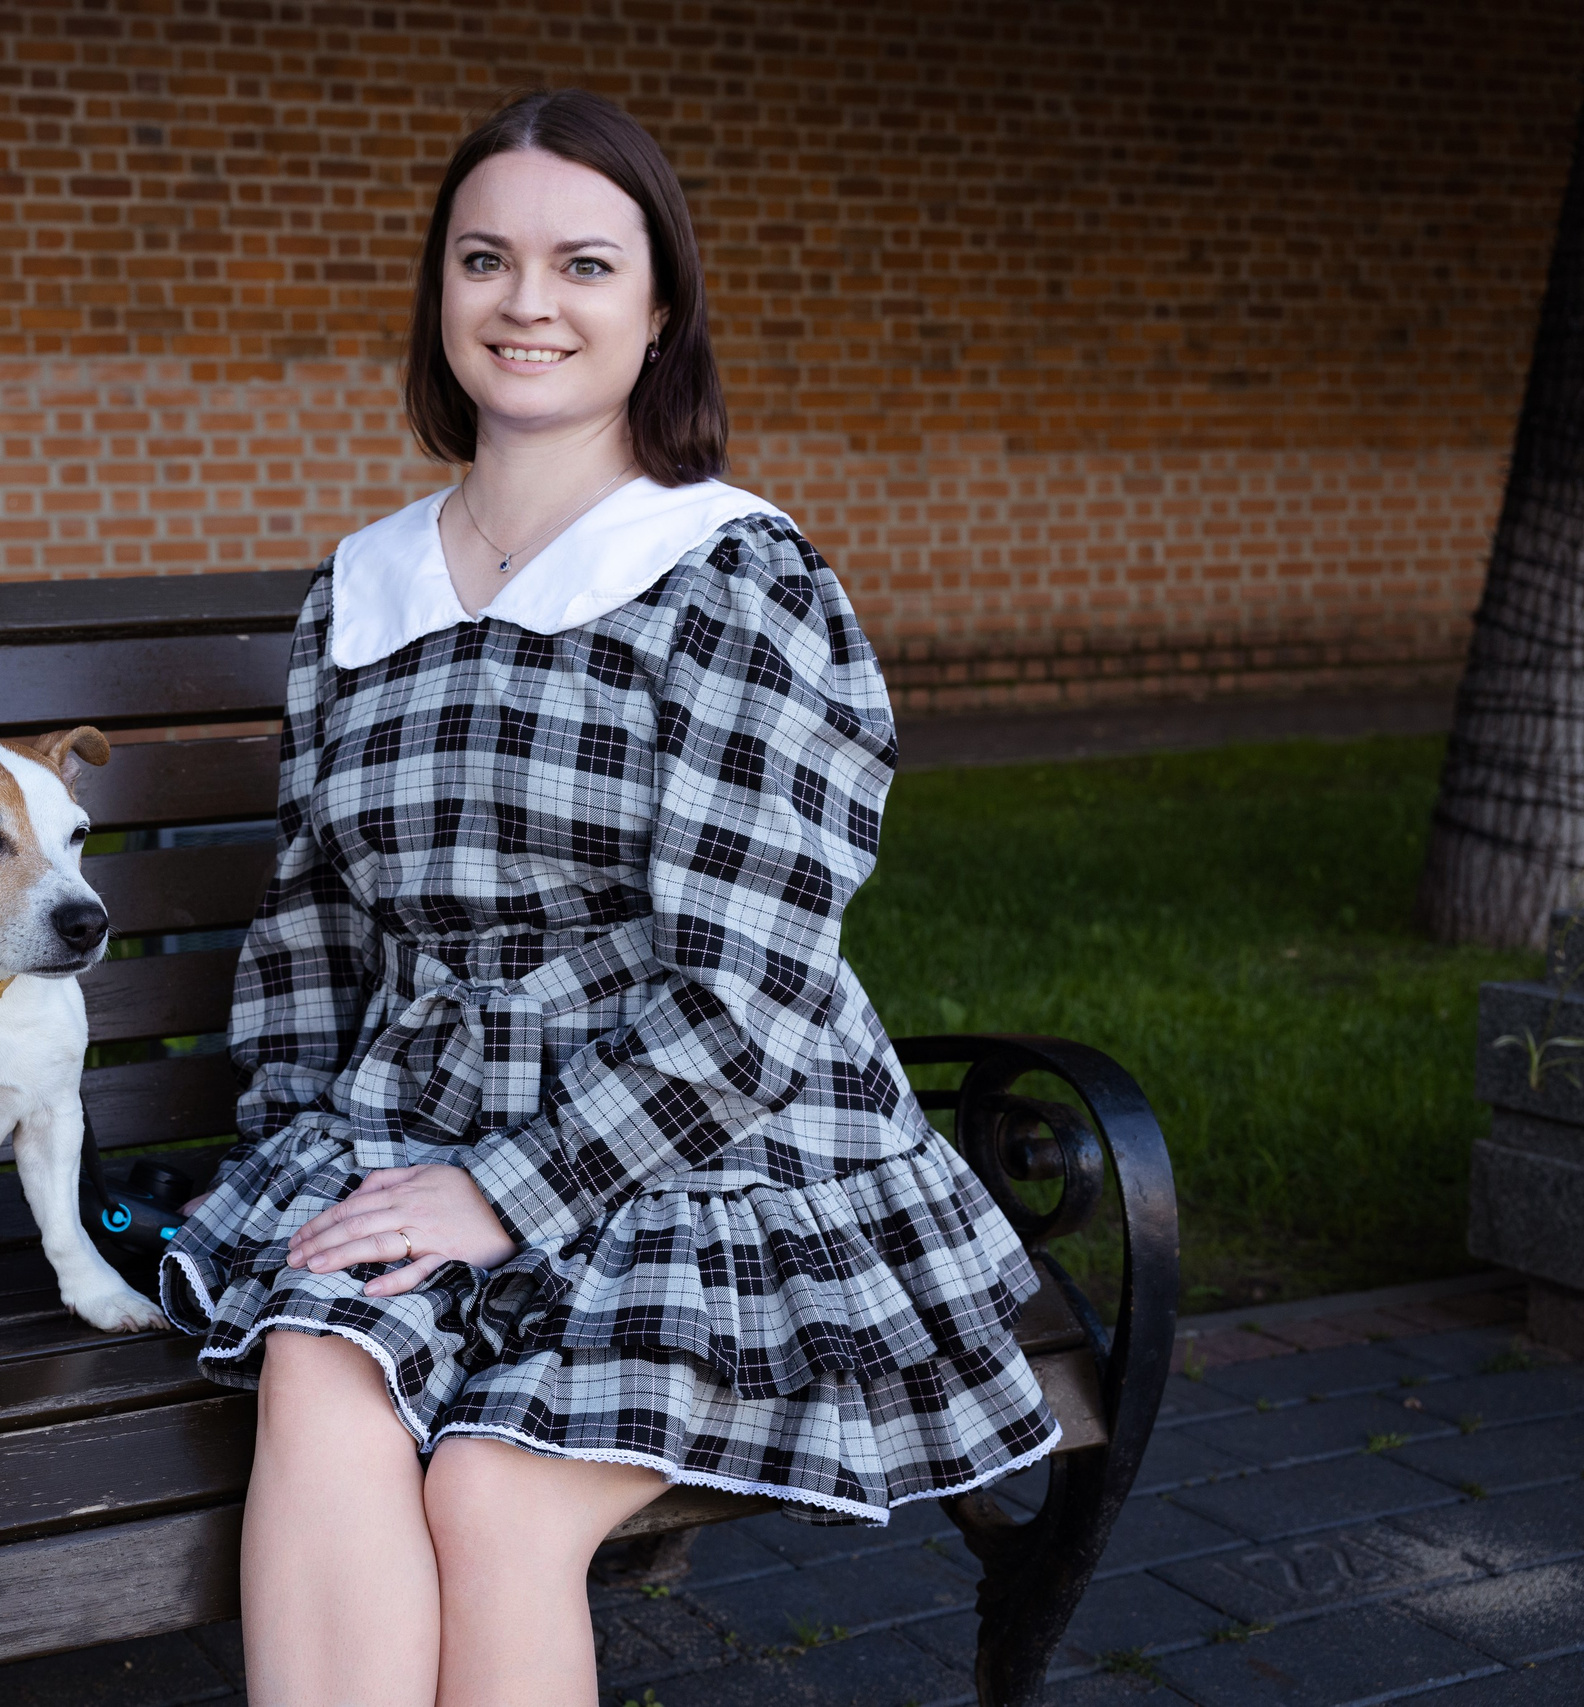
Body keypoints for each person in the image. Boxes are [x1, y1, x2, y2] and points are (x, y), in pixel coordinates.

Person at [157, 88, 1058, 1707]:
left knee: (493, 1495)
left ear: (659, 314)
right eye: (484, 260)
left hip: (703, 1148)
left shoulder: (731, 574)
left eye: (584, 264)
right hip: (423, 1117)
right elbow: (311, 929)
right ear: (440, 296)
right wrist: (306, 1163)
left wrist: (506, 1192)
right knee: (317, 1358)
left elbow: (752, 996)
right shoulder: (363, 588)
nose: (528, 302)